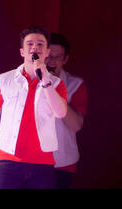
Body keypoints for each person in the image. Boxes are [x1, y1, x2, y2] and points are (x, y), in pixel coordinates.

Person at [0, 26, 68, 189]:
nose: (35, 48)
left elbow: (61, 113)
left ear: (47, 51)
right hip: (9, 161)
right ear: (22, 51)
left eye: (40, 44)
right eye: (30, 44)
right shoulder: (4, 80)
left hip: (43, 163)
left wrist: (45, 79)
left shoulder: (56, 84)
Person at [46, 33, 88, 189]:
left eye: (58, 57)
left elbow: (76, 125)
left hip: (62, 163)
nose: (52, 61)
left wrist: (52, 86)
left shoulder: (74, 85)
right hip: (30, 161)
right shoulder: (27, 81)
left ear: (65, 60)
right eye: (49, 56)